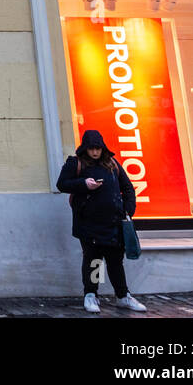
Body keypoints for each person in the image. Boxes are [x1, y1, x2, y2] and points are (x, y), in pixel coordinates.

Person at [57, 128, 147, 314]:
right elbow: (62, 184)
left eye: (97, 148)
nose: (95, 152)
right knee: (93, 260)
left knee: (115, 261)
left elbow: (128, 188)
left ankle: (123, 296)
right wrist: (84, 184)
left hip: (114, 223)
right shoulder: (76, 163)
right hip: (89, 223)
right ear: (85, 149)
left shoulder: (112, 163)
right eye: (91, 149)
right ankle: (91, 294)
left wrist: (127, 212)